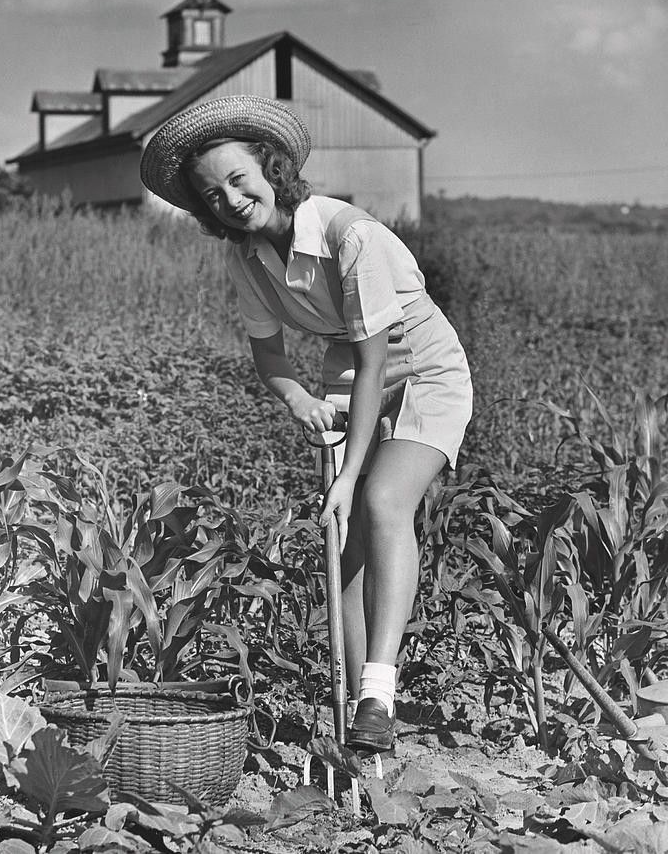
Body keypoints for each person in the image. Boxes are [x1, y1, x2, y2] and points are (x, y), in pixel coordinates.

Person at [140, 94, 472, 752]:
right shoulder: (246, 259)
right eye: (212, 195)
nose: (231, 200)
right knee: (342, 541)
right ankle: (359, 721)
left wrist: (349, 473)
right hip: (348, 376)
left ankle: (379, 690)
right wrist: (298, 400)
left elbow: (380, 363)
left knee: (379, 499)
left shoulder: (351, 236)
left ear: (271, 171)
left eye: (239, 180)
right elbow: (269, 357)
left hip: (423, 371)